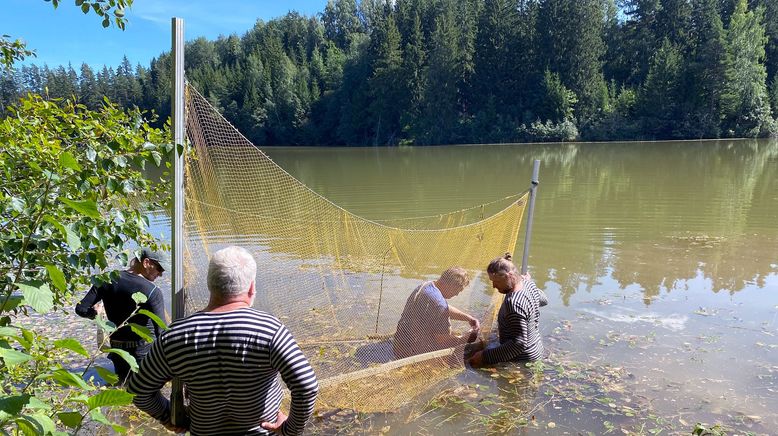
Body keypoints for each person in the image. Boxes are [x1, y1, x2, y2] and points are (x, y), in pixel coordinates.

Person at [127, 246, 319, 435]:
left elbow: (139, 391)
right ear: (252, 287)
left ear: (210, 284)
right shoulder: (269, 329)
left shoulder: (174, 335)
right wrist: (289, 429)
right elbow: (307, 386)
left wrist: (168, 415)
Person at [75, 248, 168, 385]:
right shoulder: (153, 292)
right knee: (145, 392)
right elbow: (161, 332)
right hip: (143, 352)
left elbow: (81, 309)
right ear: (147, 263)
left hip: (117, 350)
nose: (160, 274)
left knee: (123, 386)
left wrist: (95, 313)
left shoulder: (106, 279)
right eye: (159, 269)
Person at [469, 253, 548, 368]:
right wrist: (530, 284)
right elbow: (544, 300)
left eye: (496, 281)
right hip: (537, 350)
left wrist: (484, 356)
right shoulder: (528, 283)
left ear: (509, 276)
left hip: (521, 360)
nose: (493, 286)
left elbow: (519, 344)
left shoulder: (514, 303)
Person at [392, 266, 481, 359]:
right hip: (412, 352)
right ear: (450, 285)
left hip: (399, 343)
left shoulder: (427, 286)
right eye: (457, 291)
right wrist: (465, 338)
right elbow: (443, 341)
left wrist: (468, 318)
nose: (456, 294)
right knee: (468, 351)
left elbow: (443, 309)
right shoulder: (439, 304)